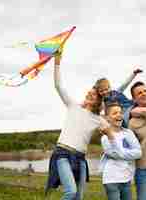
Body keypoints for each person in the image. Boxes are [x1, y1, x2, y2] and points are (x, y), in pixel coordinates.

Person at [44, 53, 109, 200]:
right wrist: (57, 63)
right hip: (62, 154)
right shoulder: (73, 106)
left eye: (94, 95)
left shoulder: (99, 119)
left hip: (80, 158)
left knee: (78, 197)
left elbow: (114, 128)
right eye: (89, 92)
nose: (89, 95)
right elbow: (58, 86)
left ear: (99, 101)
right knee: (70, 192)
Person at [99, 102, 142, 200]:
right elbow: (114, 154)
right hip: (111, 179)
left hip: (126, 178)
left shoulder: (128, 133)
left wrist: (121, 153)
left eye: (120, 112)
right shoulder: (105, 137)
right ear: (107, 118)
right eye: (114, 113)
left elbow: (138, 153)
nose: (119, 115)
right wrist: (110, 135)